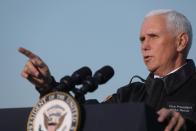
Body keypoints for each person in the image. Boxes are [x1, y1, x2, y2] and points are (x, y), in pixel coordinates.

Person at [18, 9, 196, 131]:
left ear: (180, 42)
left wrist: (186, 126)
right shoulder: (130, 94)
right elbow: (82, 117)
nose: (145, 46)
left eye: (153, 37)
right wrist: (47, 86)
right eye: (142, 39)